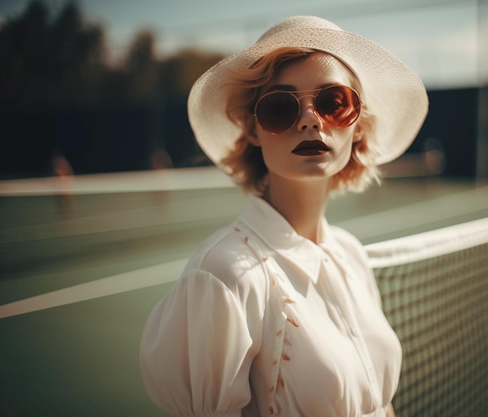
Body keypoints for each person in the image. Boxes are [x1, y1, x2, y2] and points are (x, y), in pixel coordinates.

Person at [139, 15, 428, 417]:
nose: (311, 120)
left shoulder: (351, 253)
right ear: (252, 130)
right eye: (279, 107)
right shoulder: (225, 276)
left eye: (333, 103)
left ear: (357, 126)